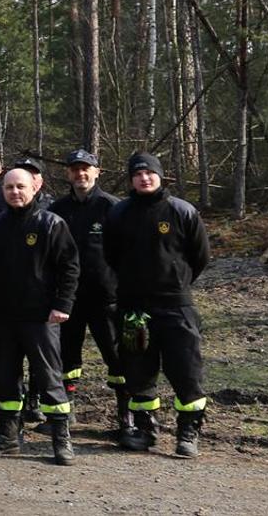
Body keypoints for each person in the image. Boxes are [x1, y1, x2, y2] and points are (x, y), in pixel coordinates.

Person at [0, 167, 80, 465]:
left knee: (49, 378)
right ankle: (8, 436)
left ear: (34, 188)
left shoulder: (50, 223)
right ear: (1, 191)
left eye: (20, 187)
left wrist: (63, 305)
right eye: (9, 188)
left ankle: (61, 440)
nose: (15, 192)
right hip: (2, 319)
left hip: (40, 318)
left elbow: (69, 268)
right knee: (5, 378)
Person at [106, 151, 210, 458]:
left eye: (149, 173)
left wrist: (177, 281)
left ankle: (188, 432)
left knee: (186, 371)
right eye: (137, 174)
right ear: (131, 179)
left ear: (160, 176)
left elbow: (200, 255)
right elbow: (111, 255)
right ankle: (145, 429)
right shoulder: (119, 213)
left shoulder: (182, 211)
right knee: (138, 371)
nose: (144, 178)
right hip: (134, 307)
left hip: (176, 305)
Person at [48, 149, 125, 434]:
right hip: (69, 300)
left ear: (97, 172)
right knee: (66, 358)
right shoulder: (57, 211)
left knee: (116, 357)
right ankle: (65, 413)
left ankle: (125, 418)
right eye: (75, 169)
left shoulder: (113, 208)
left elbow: (126, 253)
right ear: (68, 174)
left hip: (107, 298)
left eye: (86, 169)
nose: (80, 174)